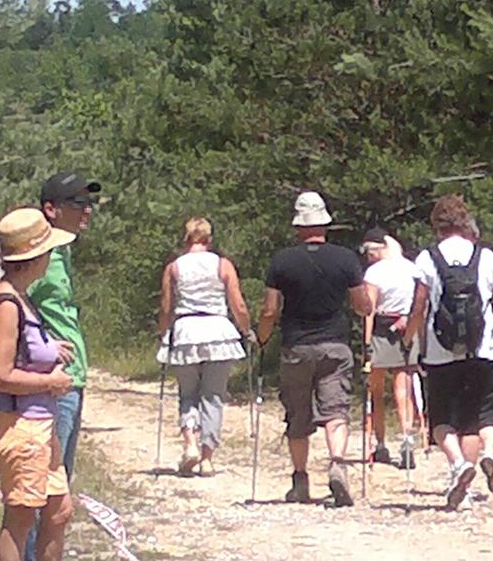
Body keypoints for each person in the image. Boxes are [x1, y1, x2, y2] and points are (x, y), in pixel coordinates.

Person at [0, 208, 90, 561]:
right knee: (20, 517)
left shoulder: (21, 299)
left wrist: (52, 349)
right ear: (34, 258)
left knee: (59, 509)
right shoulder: (7, 304)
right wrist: (50, 380)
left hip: (40, 424)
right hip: (21, 423)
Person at [404, 195, 493, 511]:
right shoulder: (490, 258)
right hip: (484, 349)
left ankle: (458, 465)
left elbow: (419, 307)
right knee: (479, 417)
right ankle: (485, 456)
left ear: (437, 225)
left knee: (443, 418)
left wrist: (411, 341)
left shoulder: (427, 259)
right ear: (465, 221)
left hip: (440, 351)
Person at [257, 192, 373, 507]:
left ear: (298, 226)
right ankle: (337, 464)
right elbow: (363, 306)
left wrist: (261, 338)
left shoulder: (282, 261)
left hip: (297, 345)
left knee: (297, 416)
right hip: (335, 344)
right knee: (336, 411)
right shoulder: (346, 259)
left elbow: (270, 310)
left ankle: (300, 480)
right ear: (325, 223)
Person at [22, 171, 98, 561]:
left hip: (72, 378)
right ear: (50, 208)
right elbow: (10, 298)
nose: (86, 211)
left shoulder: (61, 253)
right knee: (45, 486)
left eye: (88, 205)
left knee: (59, 489)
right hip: (51, 383)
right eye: (77, 204)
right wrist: (43, 346)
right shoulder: (40, 257)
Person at [157, 216, 251, 476]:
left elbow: (166, 307)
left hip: (186, 331)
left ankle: (190, 443)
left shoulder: (174, 267)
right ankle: (207, 457)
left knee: (188, 394)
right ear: (209, 240)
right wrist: (246, 329)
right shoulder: (223, 265)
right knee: (213, 395)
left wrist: (163, 332)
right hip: (218, 330)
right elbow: (238, 304)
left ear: (186, 239)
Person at [361, 226, 425, 470]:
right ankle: (407, 439)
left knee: (376, 391)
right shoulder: (412, 269)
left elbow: (369, 311)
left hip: (381, 329)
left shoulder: (374, 273)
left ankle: (380, 443)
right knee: (404, 389)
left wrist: (366, 345)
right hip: (407, 329)